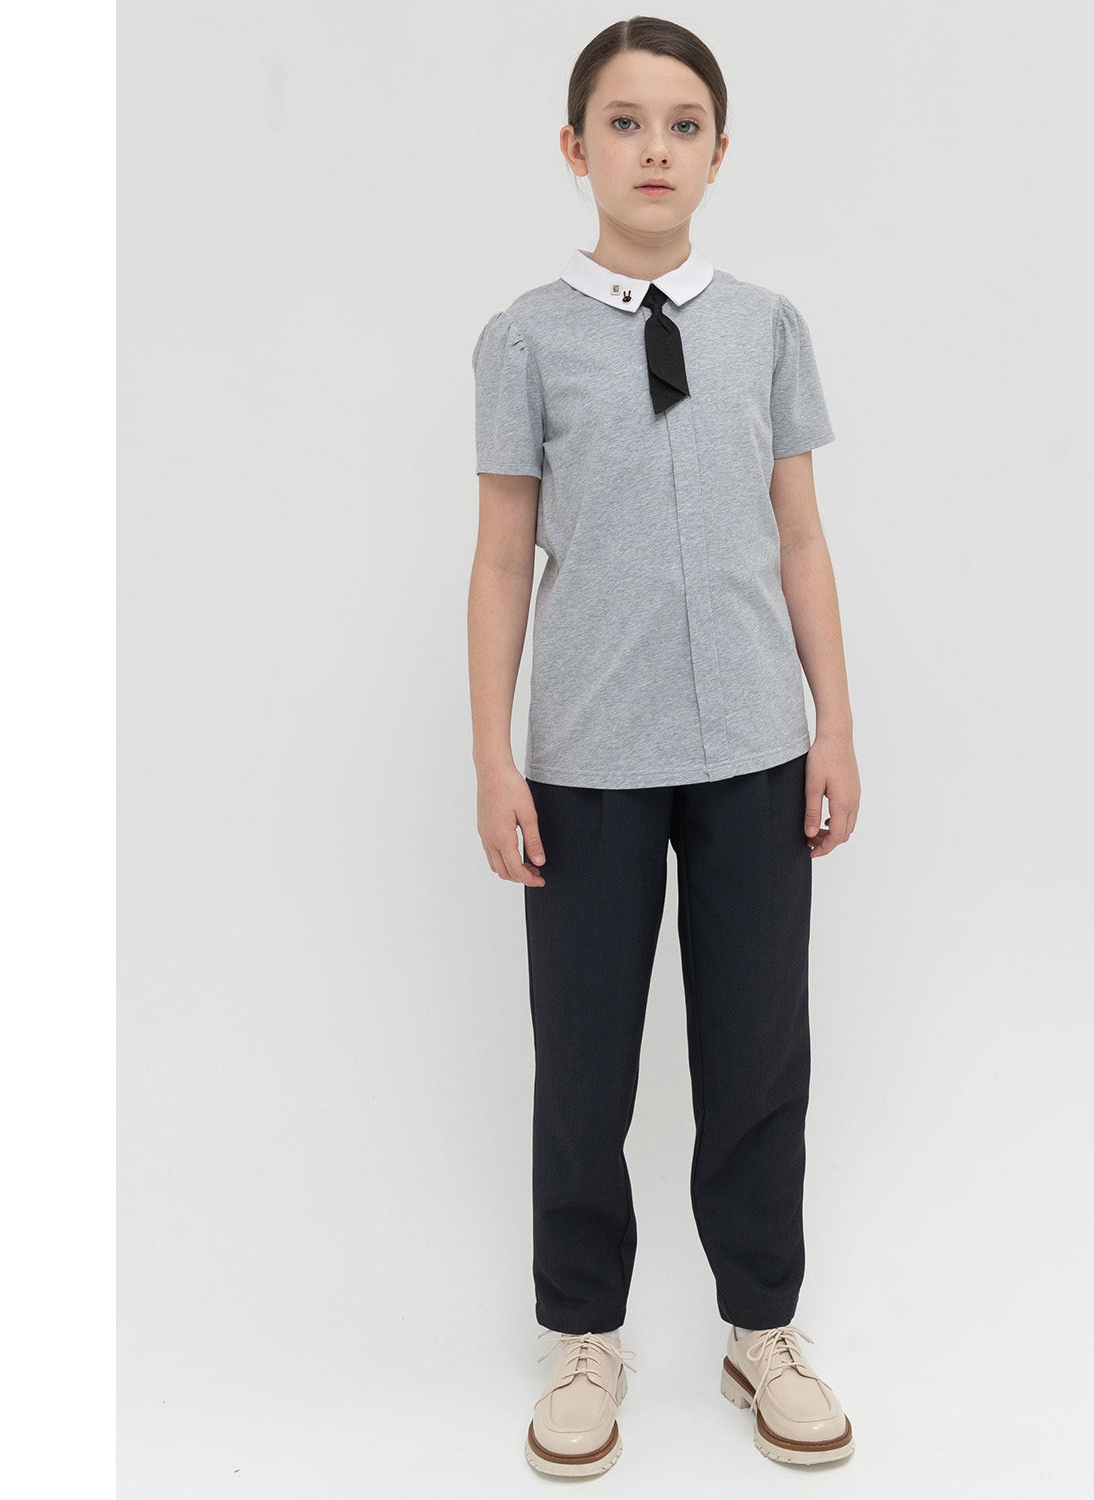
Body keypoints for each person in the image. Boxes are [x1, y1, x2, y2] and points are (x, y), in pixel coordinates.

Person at [467, 14, 860, 1477]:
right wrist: (495, 758)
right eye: (625, 124)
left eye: (683, 124)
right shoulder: (527, 338)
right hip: (586, 757)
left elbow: (801, 537)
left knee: (758, 1051)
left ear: (720, 152)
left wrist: (833, 724)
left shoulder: (767, 327)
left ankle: (763, 1323)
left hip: (755, 744)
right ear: (575, 149)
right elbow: (500, 559)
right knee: (583, 1061)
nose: (654, 150)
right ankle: (584, 1330)